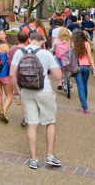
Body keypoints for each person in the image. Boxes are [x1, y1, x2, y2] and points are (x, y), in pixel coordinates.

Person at [9, 32, 63, 170]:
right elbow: (58, 75)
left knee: (32, 124)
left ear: (29, 40)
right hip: (43, 90)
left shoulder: (19, 52)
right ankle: (50, 155)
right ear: (42, 41)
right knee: (50, 122)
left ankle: (33, 159)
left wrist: (16, 90)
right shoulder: (45, 54)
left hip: (26, 91)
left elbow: (12, 74)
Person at [71, 29, 95, 113]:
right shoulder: (87, 43)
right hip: (86, 65)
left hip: (77, 65)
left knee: (80, 86)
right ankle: (84, 100)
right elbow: (90, 56)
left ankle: (84, 106)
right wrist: (94, 69)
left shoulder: (73, 44)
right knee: (85, 84)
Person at [7, 31, 29, 128]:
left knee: (23, 96)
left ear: (17, 38)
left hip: (17, 75)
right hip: (29, 74)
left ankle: (25, 116)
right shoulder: (29, 49)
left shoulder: (12, 49)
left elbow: (9, 62)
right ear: (27, 39)